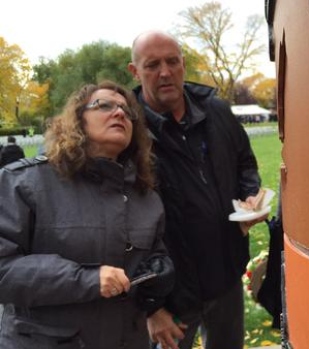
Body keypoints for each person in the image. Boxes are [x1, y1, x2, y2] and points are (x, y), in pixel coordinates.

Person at [0, 81, 175, 349]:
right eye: (105, 105)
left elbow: (154, 251)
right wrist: (87, 279)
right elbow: (4, 270)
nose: (120, 113)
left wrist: (159, 270)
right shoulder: (24, 182)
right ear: (77, 119)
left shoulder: (145, 195)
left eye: (127, 111)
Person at [128, 30, 266, 349]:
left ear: (183, 64)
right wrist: (151, 307)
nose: (165, 72)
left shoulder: (216, 111)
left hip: (225, 275)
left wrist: (249, 195)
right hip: (170, 293)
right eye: (152, 65)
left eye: (172, 61)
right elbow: (115, 225)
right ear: (135, 71)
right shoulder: (129, 130)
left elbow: (244, 162)